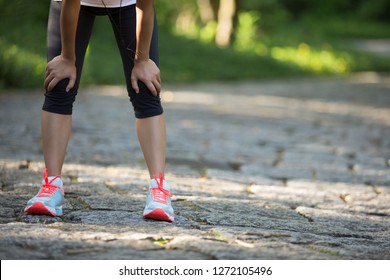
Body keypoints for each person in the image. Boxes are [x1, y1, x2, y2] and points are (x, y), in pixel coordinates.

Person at [24, 0, 174, 222]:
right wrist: (67, 58)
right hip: (72, 4)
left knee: (146, 87)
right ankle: (51, 184)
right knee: (60, 83)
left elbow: (145, 3)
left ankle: (159, 189)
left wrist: (142, 60)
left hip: (130, 4)